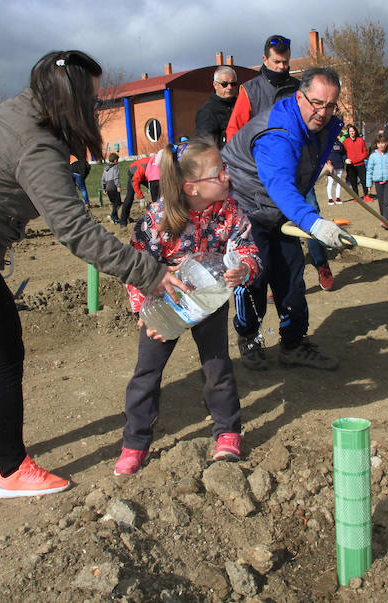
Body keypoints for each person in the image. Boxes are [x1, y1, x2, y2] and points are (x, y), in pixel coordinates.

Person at [0, 50, 184, 499]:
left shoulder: (20, 111)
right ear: (70, 98)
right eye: (90, 96)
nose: (95, 104)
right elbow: (75, 231)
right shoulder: (37, 144)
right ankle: (10, 470)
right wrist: (149, 273)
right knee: (2, 356)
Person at [116, 138, 261, 475]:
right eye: (219, 172)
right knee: (146, 376)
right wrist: (143, 309)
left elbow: (249, 251)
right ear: (191, 187)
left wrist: (243, 268)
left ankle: (227, 431)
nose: (227, 176)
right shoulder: (158, 218)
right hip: (165, 304)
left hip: (210, 300)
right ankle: (135, 443)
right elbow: (136, 264)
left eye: (224, 170)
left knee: (217, 367)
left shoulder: (232, 212)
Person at [222, 67, 353, 371]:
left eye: (331, 105)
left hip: (279, 209)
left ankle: (293, 344)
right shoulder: (279, 131)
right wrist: (314, 223)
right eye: (316, 103)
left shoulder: (325, 125)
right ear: (300, 97)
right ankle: (250, 339)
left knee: (291, 274)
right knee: (253, 276)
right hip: (246, 207)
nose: (323, 112)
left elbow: (293, 179)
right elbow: (279, 184)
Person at [225, 34, 299, 141]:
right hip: (258, 154)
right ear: (265, 59)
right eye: (277, 62)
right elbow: (234, 130)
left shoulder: (299, 89)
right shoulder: (250, 90)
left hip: (293, 152)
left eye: (285, 62)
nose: (282, 66)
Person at [195, 66, 238, 148]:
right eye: (224, 84)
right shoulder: (207, 112)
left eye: (233, 84)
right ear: (215, 85)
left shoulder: (241, 105)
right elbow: (205, 146)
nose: (229, 87)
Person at [364, 134, 388, 228]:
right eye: (379, 143)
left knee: (387, 200)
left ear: (387, 143)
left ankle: (387, 221)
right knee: (381, 201)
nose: (381, 145)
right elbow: (369, 171)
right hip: (378, 181)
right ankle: (383, 219)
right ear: (377, 144)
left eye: (383, 143)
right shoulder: (373, 156)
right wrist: (369, 184)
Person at [118, 155, 149, 226]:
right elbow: (135, 181)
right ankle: (123, 221)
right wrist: (141, 198)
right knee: (129, 197)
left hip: (145, 176)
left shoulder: (159, 167)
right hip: (133, 174)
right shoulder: (143, 167)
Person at [342, 124, 369, 200]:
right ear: (348, 132)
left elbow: (365, 152)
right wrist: (346, 159)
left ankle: (366, 195)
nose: (352, 133)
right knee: (353, 182)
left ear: (355, 131)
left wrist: (359, 159)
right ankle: (356, 197)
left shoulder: (360, 140)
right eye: (350, 131)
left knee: (364, 180)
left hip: (361, 164)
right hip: (351, 165)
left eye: (353, 131)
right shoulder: (345, 141)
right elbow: (343, 153)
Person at [325, 135, 346, 205]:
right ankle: (330, 198)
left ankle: (338, 197)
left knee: (339, 182)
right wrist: (327, 163)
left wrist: (345, 159)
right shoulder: (327, 144)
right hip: (331, 167)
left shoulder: (340, 144)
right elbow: (324, 155)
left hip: (339, 165)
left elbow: (343, 153)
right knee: (330, 182)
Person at [102, 152, 122, 223]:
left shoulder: (105, 169)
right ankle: (112, 216)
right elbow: (116, 178)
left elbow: (103, 179)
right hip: (113, 186)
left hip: (107, 187)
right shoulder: (115, 167)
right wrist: (118, 186)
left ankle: (115, 219)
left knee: (114, 204)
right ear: (115, 161)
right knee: (118, 202)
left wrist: (104, 188)